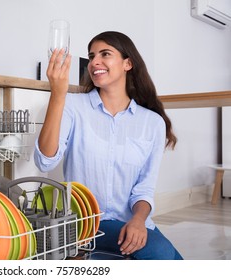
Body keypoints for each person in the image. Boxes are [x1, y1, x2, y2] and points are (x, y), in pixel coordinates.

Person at [33, 31, 183, 260]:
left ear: (127, 63)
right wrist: (58, 94)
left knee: (171, 258)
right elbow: (45, 160)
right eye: (92, 56)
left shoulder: (152, 123)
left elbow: (144, 189)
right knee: (162, 255)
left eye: (105, 54)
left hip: (130, 222)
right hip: (85, 226)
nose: (94, 62)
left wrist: (138, 221)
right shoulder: (73, 105)